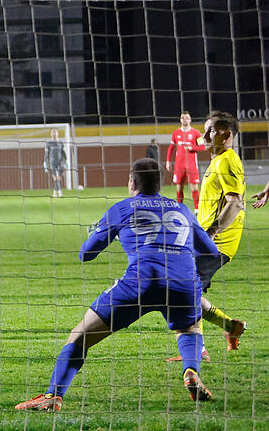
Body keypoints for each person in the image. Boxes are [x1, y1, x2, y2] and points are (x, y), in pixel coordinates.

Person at [16, 158, 218, 412]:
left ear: (132, 182)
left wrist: (99, 231)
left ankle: (53, 396)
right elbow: (211, 252)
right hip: (184, 282)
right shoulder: (182, 210)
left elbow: (86, 254)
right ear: (160, 183)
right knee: (189, 330)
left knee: (80, 336)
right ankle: (190, 370)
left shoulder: (122, 208)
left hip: (140, 281)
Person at [166, 111, 246, 361]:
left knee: (179, 289)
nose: (205, 135)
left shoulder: (227, 161)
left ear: (227, 134)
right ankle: (231, 327)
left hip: (216, 244)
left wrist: (211, 233)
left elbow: (235, 203)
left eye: (211, 130)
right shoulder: (217, 161)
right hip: (206, 241)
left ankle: (197, 351)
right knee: (184, 289)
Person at [166, 111, 205, 213]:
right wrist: (168, 161)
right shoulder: (176, 133)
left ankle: (197, 210)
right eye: (183, 118)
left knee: (194, 187)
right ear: (180, 120)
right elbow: (171, 147)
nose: (185, 120)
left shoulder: (196, 133)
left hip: (191, 165)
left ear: (190, 119)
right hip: (179, 165)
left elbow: (202, 147)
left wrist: (192, 147)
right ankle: (180, 209)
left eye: (187, 118)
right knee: (179, 188)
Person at [44, 128, 67, 198]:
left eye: (55, 132)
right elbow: (46, 153)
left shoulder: (61, 142)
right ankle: (59, 193)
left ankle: (54, 192)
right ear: (51, 134)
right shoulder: (48, 143)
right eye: (52, 132)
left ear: (57, 133)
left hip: (60, 162)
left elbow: (63, 153)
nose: (54, 133)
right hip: (52, 162)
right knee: (55, 178)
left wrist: (66, 161)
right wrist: (45, 162)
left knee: (58, 178)